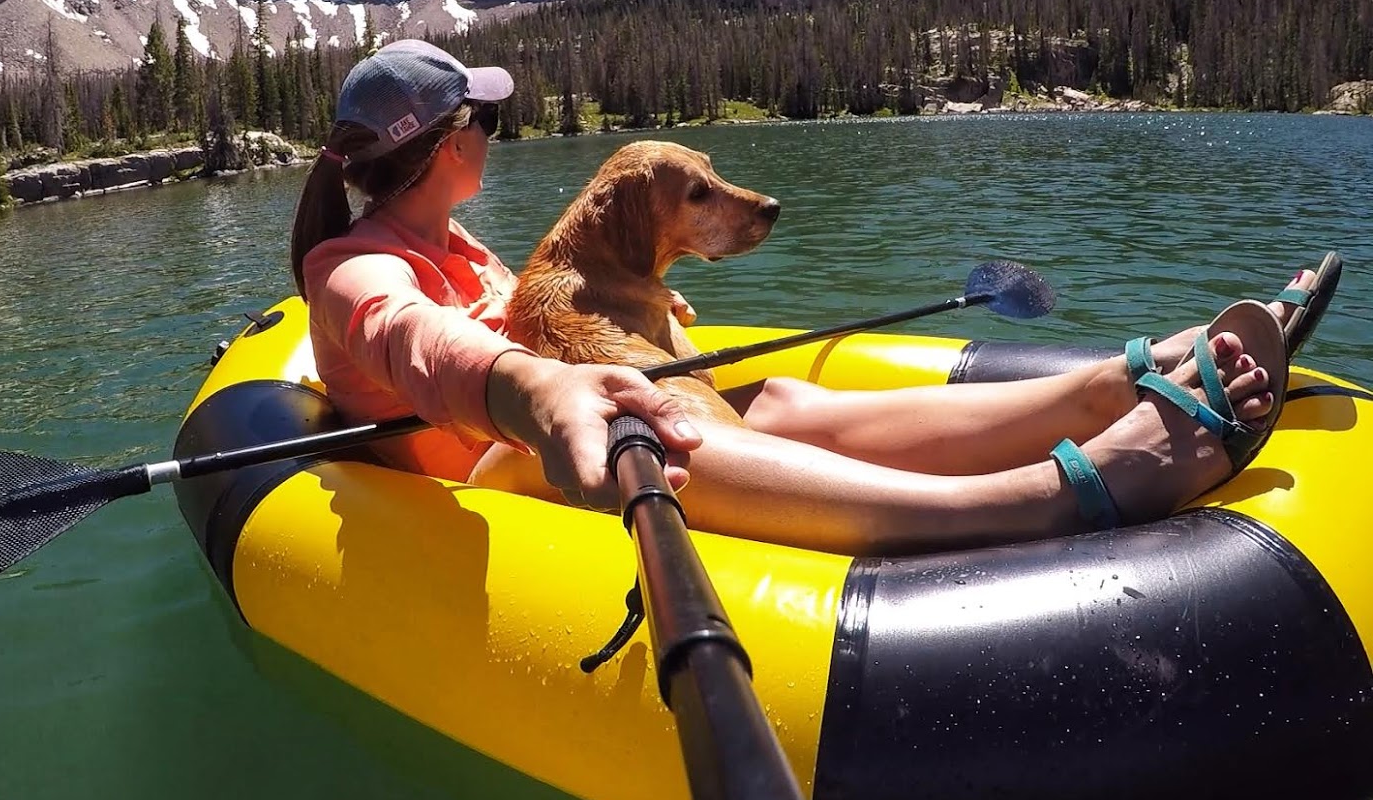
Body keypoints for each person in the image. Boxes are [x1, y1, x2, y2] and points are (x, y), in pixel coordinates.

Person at [290, 39, 1315, 556]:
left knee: (776, 405)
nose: (491, 136)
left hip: (546, 430)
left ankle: (1095, 391)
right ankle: (1054, 494)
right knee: (671, 430)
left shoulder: (457, 243)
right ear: (448, 143)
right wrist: (531, 393)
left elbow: (526, 315)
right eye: (485, 120)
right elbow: (415, 341)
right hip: (495, 469)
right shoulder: (352, 268)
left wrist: (649, 324)